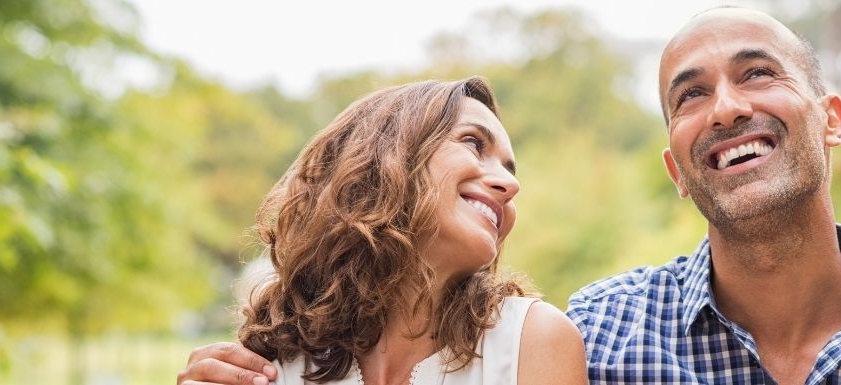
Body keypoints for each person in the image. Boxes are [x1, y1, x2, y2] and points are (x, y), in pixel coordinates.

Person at [179, 7, 841, 385]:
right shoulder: (604, 332)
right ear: (676, 164)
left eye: (757, 75)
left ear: (830, 119)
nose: (726, 106)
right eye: (690, 95)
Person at [178, 77, 587, 385]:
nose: (509, 184)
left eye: (510, 169)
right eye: (473, 144)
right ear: (387, 160)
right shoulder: (275, 352)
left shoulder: (532, 341)